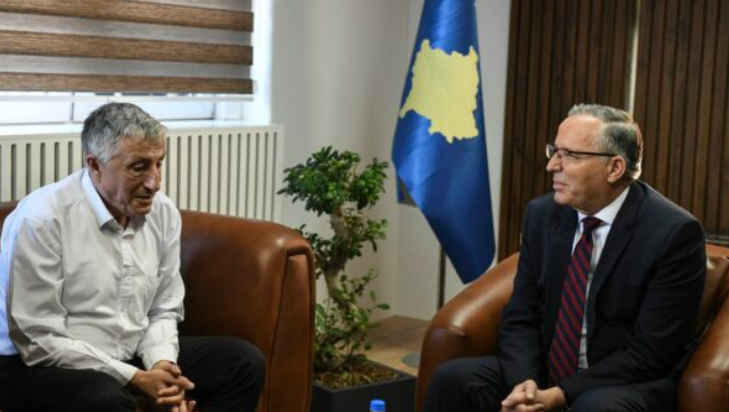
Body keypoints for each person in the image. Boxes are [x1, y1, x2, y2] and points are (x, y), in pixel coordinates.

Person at [425, 104, 706, 412]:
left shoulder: (674, 233)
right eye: (554, 151)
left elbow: (651, 352)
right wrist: (525, 384)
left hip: (623, 380)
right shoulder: (542, 215)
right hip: (546, 370)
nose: (552, 166)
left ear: (614, 168)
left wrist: (562, 394)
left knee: (595, 408)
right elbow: (521, 316)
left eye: (569, 155)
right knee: (454, 380)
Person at [0, 103, 266, 412]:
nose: (155, 182)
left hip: (128, 351)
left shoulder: (163, 213)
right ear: (95, 165)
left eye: (158, 164)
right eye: (139, 167)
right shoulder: (41, 219)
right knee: (107, 398)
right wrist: (135, 378)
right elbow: (38, 338)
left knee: (243, 363)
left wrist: (162, 367)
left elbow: (163, 308)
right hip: (35, 364)